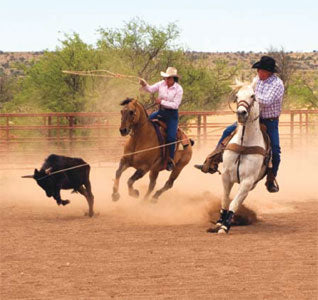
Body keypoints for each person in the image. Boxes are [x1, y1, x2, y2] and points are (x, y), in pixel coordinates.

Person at [196, 56, 284, 193]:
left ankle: (271, 179)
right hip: (252, 118)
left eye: (261, 70)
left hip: (269, 120)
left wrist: (250, 96)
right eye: (258, 70)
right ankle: (212, 160)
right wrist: (246, 95)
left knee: (276, 151)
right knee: (228, 131)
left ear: (269, 72)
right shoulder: (257, 80)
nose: (258, 73)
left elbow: (267, 101)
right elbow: (248, 90)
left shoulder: (277, 84)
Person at [139, 67, 183, 171]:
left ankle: (170, 160)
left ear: (173, 79)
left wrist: (162, 102)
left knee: (171, 138)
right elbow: (150, 89)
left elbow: (175, 105)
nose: (166, 80)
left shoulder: (178, 89)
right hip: (161, 112)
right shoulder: (162, 84)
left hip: (172, 115)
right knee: (144, 124)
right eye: (165, 78)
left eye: (168, 78)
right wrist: (144, 84)